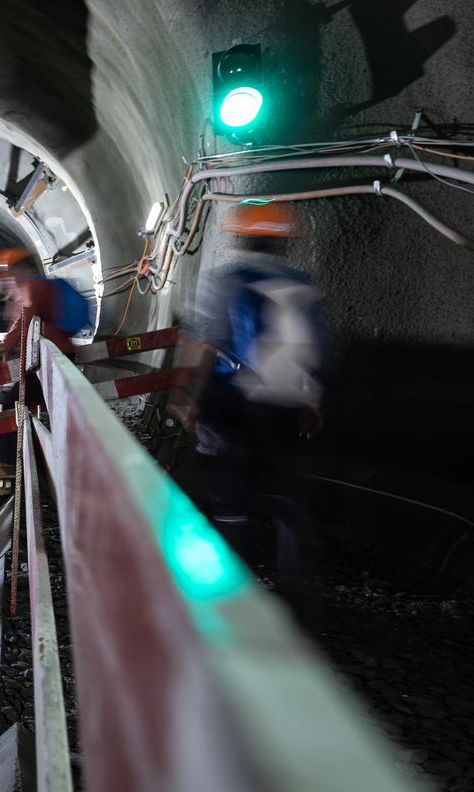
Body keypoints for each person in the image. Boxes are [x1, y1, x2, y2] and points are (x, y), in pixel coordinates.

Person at [183, 202, 327, 623]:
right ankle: (295, 590)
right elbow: (321, 350)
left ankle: (236, 591)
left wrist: (194, 398)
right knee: (286, 494)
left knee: (232, 496)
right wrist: (314, 402)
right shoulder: (306, 286)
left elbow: (210, 344)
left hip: (235, 403)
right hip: (288, 406)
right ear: (283, 244)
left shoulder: (227, 281)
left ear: (242, 238)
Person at [0, 250, 90, 467]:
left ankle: (9, 463)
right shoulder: (36, 286)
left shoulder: (33, 287)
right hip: (52, 357)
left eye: (11, 272)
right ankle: (44, 459)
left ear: (20, 270)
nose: (9, 277)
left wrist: (5, 344)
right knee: (41, 406)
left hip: (48, 360)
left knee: (13, 403)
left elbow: (27, 315)